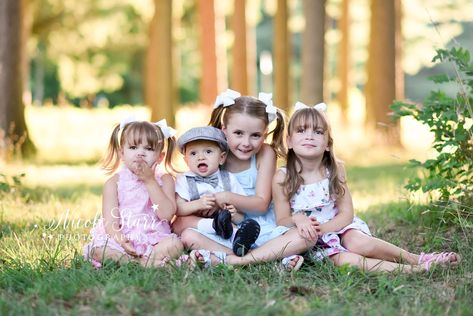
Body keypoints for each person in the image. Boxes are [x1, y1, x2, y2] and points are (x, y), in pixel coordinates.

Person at [272, 102, 461, 272]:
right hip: (311, 239)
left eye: (318, 132)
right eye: (301, 130)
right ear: (288, 141)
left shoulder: (335, 170)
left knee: (359, 243)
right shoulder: (283, 177)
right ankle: (415, 270)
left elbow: (346, 213)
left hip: (339, 227)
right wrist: (299, 220)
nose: (309, 136)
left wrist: (324, 228)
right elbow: (281, 219)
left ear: (328, 144)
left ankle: (415, 259)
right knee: (347, 260)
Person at [177, 89, 316, 270]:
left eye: (255, 135)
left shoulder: (265, 153)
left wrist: (224, 197)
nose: (246, 143)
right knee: (187, 234)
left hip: (260, 223)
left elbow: (261, 204)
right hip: (227, 225)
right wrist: (208, 205)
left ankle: (234, 260)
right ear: (223, 130)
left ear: (264, 134)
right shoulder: (213, 153)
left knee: (307, 237)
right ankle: (267, 255)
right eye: (238, 133)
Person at [83, 118, 187, 268]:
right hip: (123, 239)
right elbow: (110, 222)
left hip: (155, 240)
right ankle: (144, 263)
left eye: (149, 149)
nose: (140, 153)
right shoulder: (113, 183)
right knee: (99, 249)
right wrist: (121, 240)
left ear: (160, 156)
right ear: (122, 153)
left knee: (175, 244)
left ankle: (137, 263)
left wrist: (150, 181)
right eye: (133, 147)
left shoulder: (165, 180)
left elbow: (166, 214)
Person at [174, 126, 261, 256]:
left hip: (225, 234)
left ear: (221, 158)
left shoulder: (228, 179)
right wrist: (198, 204)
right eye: (193, 153)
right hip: (198, 231)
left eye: (208, 152)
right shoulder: (184, 180)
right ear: (186, 160)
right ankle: (236, 252)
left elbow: (241, 216)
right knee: (186, 234)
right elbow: (178, 209)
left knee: (237, 226)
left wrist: (233, 214)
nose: (200, 157)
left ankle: (239, 240)